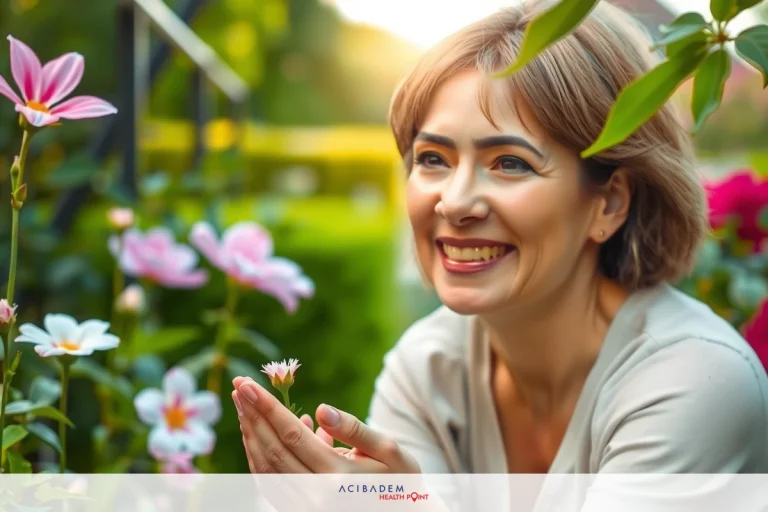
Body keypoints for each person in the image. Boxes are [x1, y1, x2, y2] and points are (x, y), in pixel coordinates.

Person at [232, 0, 768, 480]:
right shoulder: (427, 365)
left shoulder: (696, 380)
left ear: (609, 203)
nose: (455, 202)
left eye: (509, 163)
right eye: (433, 159)